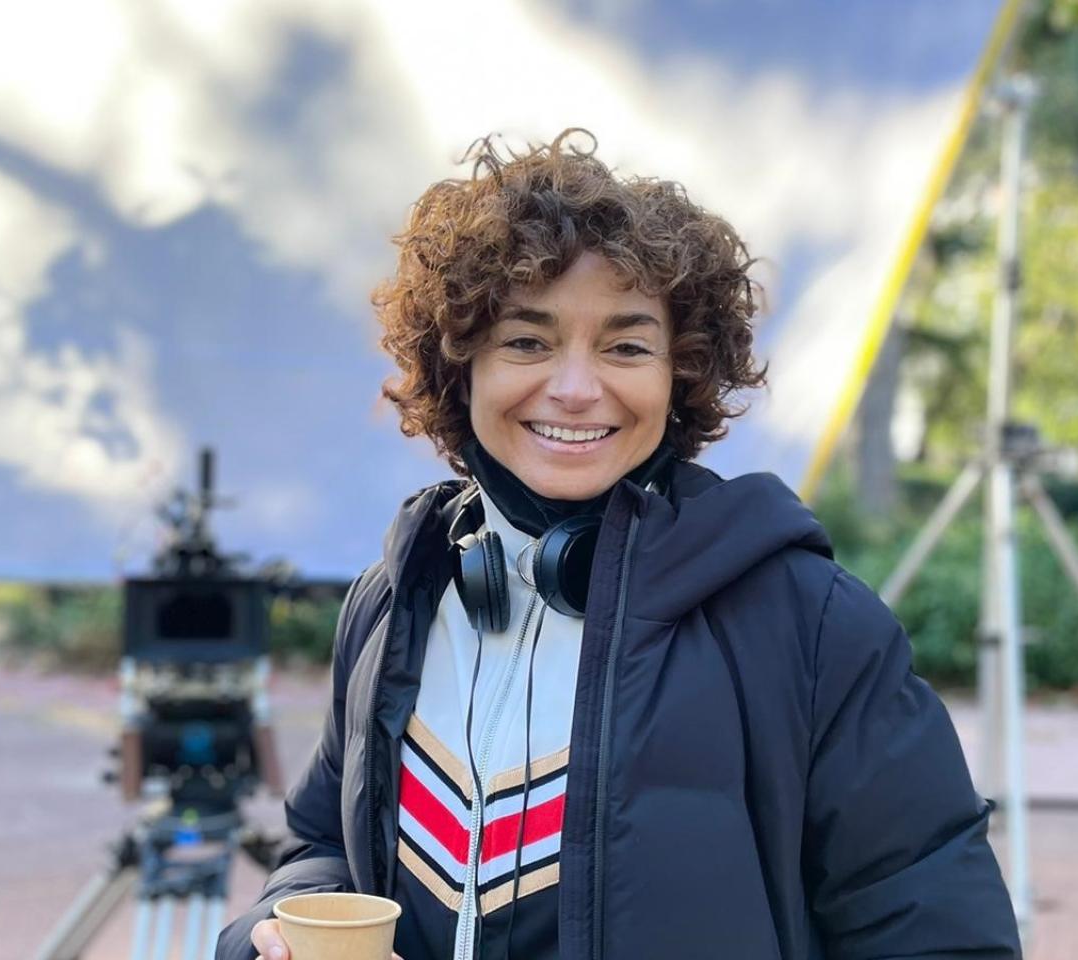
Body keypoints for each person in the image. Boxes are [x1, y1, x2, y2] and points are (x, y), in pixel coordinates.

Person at [221, 130, 1020, 960]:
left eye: (626, 346)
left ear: (681, 375)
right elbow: (321, 845)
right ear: (461, 367)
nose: (575, 389)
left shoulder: (810, 625)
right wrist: (275, 931)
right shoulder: (396, 598)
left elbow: (944, 940)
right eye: (526, 341)